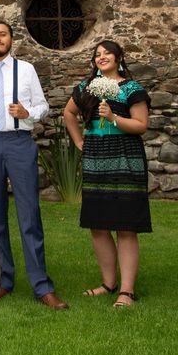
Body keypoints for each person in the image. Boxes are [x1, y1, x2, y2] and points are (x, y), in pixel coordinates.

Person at [0, 21, 68, 310]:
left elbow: (43, 106)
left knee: (29, 214)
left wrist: (27, 112)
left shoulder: (26, 70)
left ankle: (41, 285)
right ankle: (3, 280)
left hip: (20, 143)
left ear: (12, 39)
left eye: (3, 35)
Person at [64, 40, 151, 308]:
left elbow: (141, 125)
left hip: (126, 157)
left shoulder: (132, 89)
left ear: (119, 58)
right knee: (98, 225)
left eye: (107, 53)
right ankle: (108, 283)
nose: (102, 57)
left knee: (125, 226)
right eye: (97, 54)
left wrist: (113, 117)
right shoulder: (85, 87)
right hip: (96, 158)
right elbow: (68, 112)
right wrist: (79, 141)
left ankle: (127, 290)